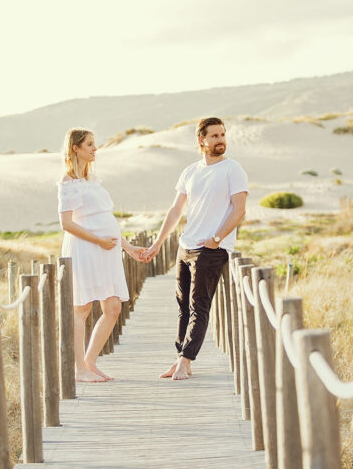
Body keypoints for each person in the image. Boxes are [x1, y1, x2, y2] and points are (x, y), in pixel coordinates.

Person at [141, 117, 248, 380]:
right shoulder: (190, 171)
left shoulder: (233, 169)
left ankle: (186, 359)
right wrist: (158, 243)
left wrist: (217, 238)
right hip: (186, 246)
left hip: (211, 249)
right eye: (214, 136)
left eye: (223, 135)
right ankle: (181, 359)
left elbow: (239, 209)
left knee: (199, 306)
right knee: (182, 306)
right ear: (201, 140)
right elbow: (176, 210)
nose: (220, 139)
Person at [58, 128, 145, 383]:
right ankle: (79, 370)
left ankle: (90, 362)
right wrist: (98, 241)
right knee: (82, 308)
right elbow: (67, 224)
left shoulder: (92, 180)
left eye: (95, 144)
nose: (95, 149)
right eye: (89, 144)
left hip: (107, 249)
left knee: (113, 306)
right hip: (86, 248)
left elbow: (106, 220)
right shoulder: (68, 181)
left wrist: (127, 247)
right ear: (76, 148)